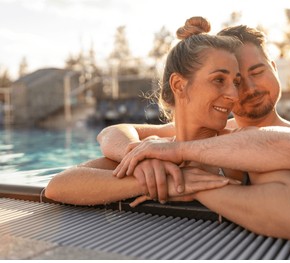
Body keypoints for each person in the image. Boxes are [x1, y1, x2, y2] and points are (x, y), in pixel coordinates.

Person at [97, 20, 290, 243]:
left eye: (257, 72)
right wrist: (135, 158)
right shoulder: (213, 133)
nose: (248, 88)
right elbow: (114, 132)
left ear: (273, 67)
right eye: (234, 81)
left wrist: (180, 156)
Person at [45, 17, 244, 207]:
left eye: (236, 82)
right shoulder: (154, 153)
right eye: (219, 80)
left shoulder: (241, 145)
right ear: (179, 85)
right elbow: (56, 187)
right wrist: (155, 181)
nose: (234, 95)